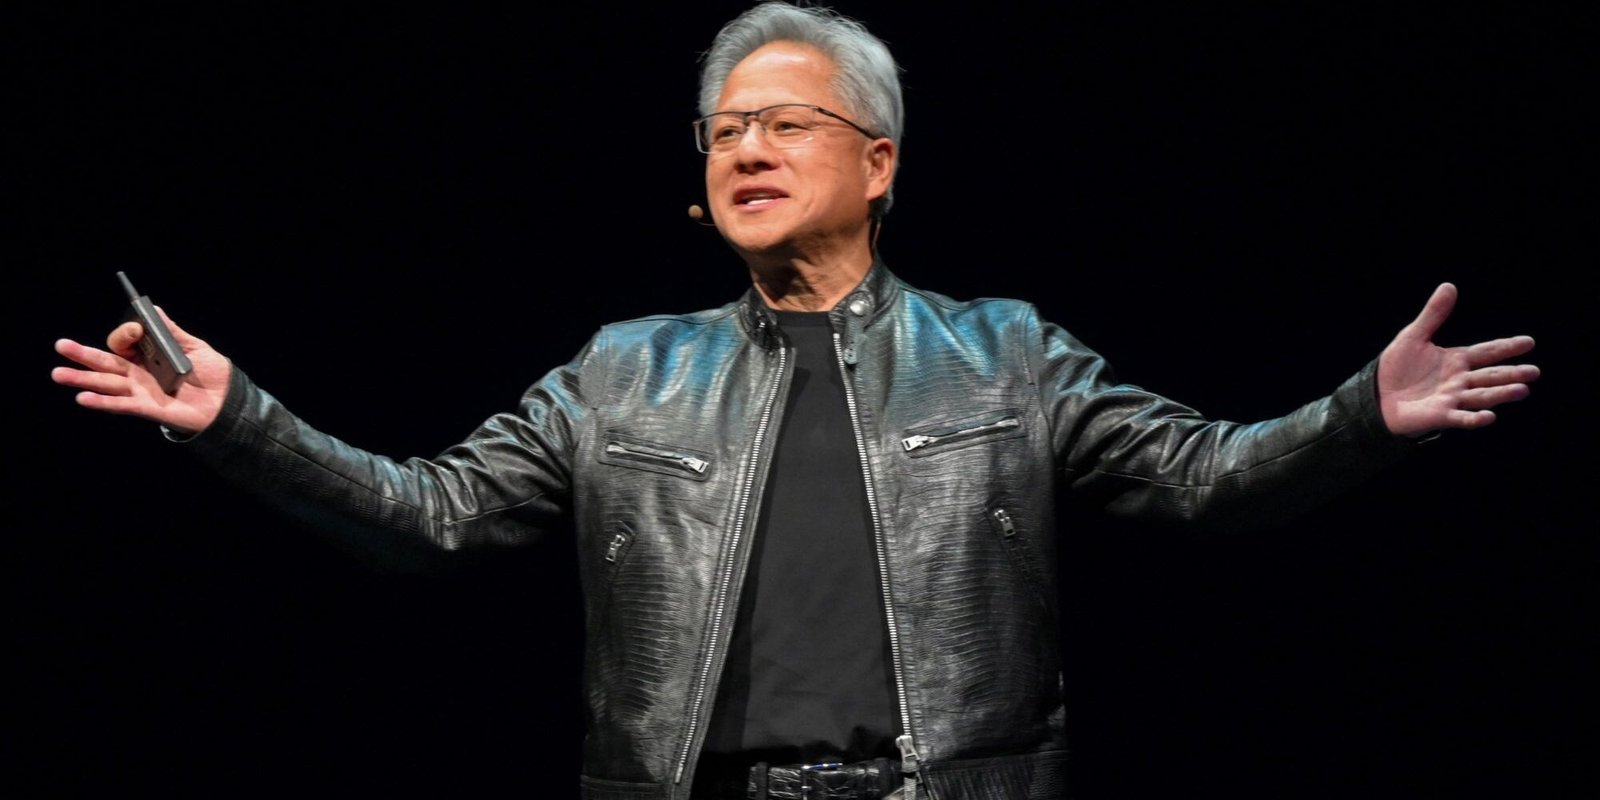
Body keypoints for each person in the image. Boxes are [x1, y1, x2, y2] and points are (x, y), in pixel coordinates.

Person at [51, 3, 1538, 799]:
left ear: (878, 162)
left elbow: (1205, 478)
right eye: (721, 132)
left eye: (782, 123)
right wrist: (242, 418)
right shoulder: (621, 368)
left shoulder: (1007, 352)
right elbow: (428, 515)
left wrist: (1359, 413)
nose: (745, 149)